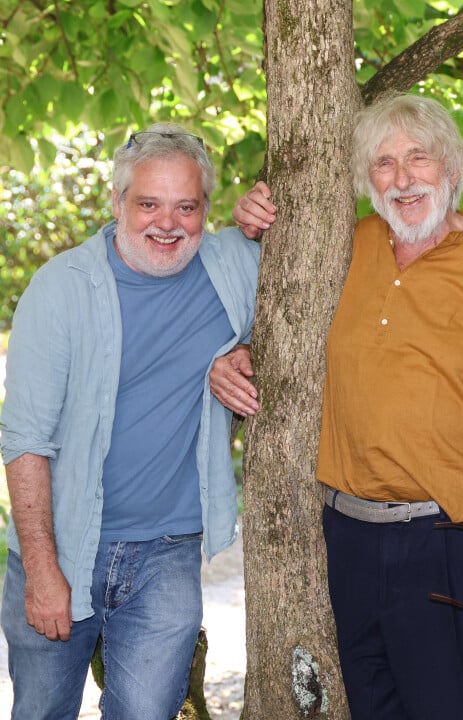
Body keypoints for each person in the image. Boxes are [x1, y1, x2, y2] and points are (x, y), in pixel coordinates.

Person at [211, 94, 463, 720]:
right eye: (383, 163)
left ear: (453, 168)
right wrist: (236, 355)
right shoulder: (346, 248)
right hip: (346, 542)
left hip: (460, 542)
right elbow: (286, 335)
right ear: (364, 180)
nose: (403, 179)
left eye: (418, 158)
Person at [0, 123, 260, 720]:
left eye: (185, 207)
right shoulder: (60, 289)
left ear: (206, 211)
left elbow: (306, 310)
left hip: (168, 553)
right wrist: (44, 573)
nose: (166, 224)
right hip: (64, 547)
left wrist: (244, 359)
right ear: (118, 203)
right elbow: (25, 442)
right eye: (148, 204)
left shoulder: (234, 267)